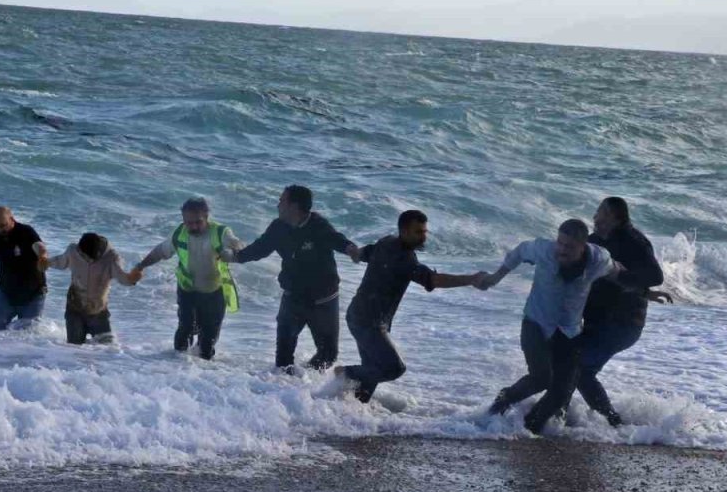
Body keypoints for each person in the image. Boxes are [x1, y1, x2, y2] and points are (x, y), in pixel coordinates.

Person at [478, 219, 624, 434]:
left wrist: (645, 292)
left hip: (570, 331)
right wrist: (495, 278)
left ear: (583, 246)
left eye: (569, 247)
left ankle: (529, 429)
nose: (562, 250)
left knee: (561, 392)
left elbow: (617, 271)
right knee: (541, 378)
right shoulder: (543, 250)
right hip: (536, 324)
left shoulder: (598, 259)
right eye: (561, 243)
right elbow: (518, 252)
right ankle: (503, 401)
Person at [336, 210, 485, 402]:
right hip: (369, 321)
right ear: (404, 231)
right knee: (393, 368)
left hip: (359, 315)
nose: (423, 237)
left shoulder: (386, 242)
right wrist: (471, 279)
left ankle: (349, 411)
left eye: (424, 232)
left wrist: (355, 253)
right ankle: (344, 373)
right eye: (418, 232)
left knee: (371, 371)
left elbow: (366, 253)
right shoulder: (405, 259)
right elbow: (434, 280)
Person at [560, 197, 666, 427]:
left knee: (580, 370)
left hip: (623, 323)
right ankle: (558, 415)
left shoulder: (633, 242)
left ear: (614, 218)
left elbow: (656, 276)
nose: (595, 217)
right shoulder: (595, 240)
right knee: (568, 364)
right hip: (596, 320)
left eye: (601, 213)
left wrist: (620, 278)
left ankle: (612, 423)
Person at [232, 185, 360, 372]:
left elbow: (335, 239)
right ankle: (283, 389)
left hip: (323, 301)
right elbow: (259, 249)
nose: (278, 205)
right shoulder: (278, 227)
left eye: (281, 201)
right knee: (283, 359)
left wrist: (350, 248)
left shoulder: (317, 225)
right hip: (293, 298)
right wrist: (235, 257)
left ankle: (307, 383)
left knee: (328, 355)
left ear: (294, 207)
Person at [132, 197, 243, 360]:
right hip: (187, 290)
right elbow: (160, 252)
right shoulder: (179, 233)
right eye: (188, 222)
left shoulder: (220, 232)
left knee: (207, 342)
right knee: (185, 330)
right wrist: (141, 265)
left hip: (214, 292)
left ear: (207, 216)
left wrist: (231, 254)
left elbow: (239, 246)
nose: (193, 226)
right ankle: (176, 369)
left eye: (198, 222)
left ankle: (204, 376)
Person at [46, 232, 140, 344]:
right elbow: (60, 262)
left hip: (98, 313)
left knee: (108, 351)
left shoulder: (112, 258)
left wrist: (133, 278)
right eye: (85, 256)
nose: (89, 260)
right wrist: (45, 262)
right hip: (74, 310)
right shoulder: (73, 251)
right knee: (74, 349)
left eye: (92, 258)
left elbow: (123, 279)